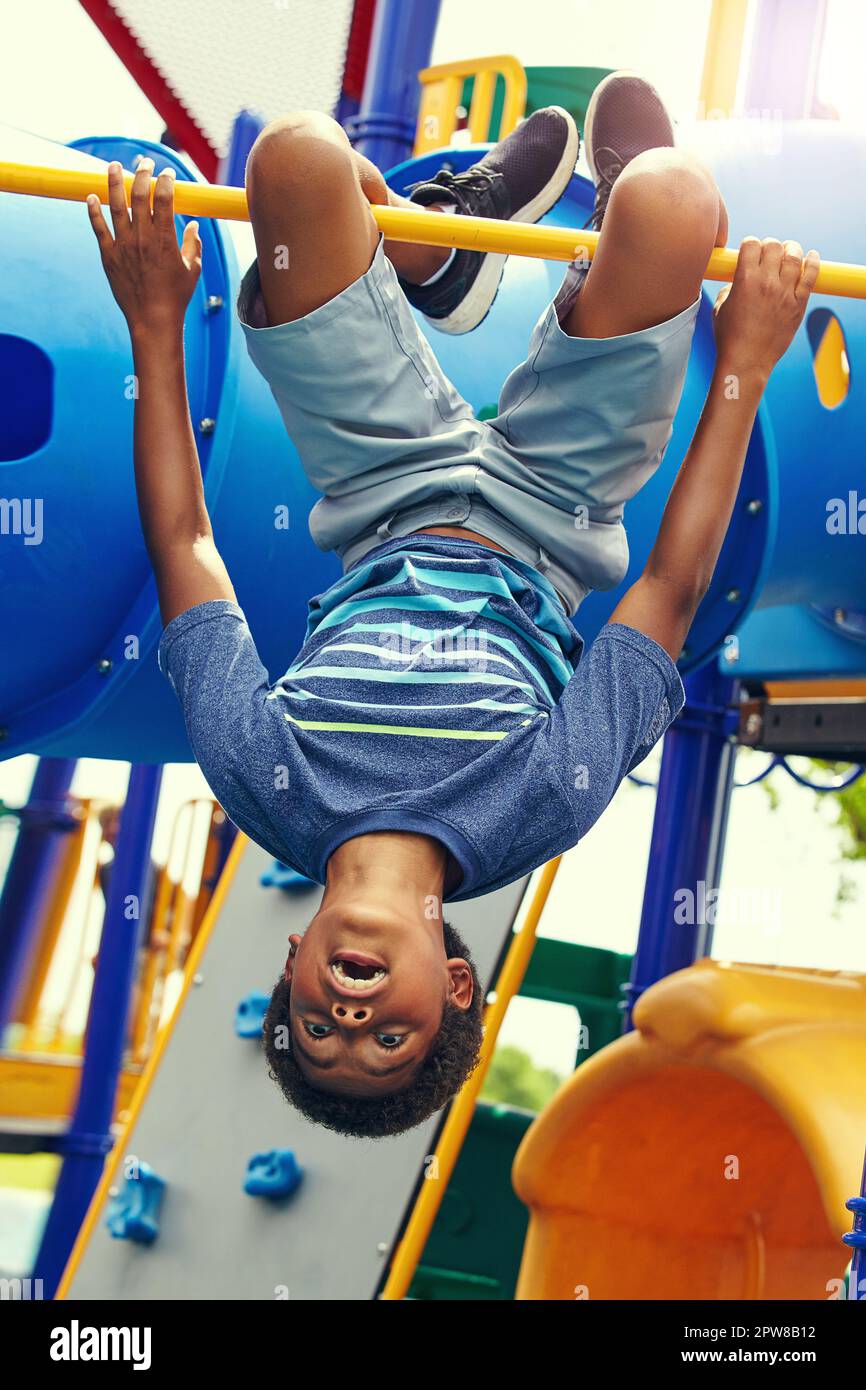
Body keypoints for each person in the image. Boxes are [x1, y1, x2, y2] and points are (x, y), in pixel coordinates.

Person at [86, 72, 819, 1138]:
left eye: (317, 1026)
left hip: (380, 481)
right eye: (386, 1040)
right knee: (667, 198)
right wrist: (740, 365)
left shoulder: (265, 780)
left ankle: (441, 243)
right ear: (455, 985)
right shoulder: (538, 806)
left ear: (292, 962)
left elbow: (186, 547)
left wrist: (156, 326)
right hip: (550, 502)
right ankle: (589, 214)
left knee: (292, 162)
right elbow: (664, 592)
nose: (348, 1013)